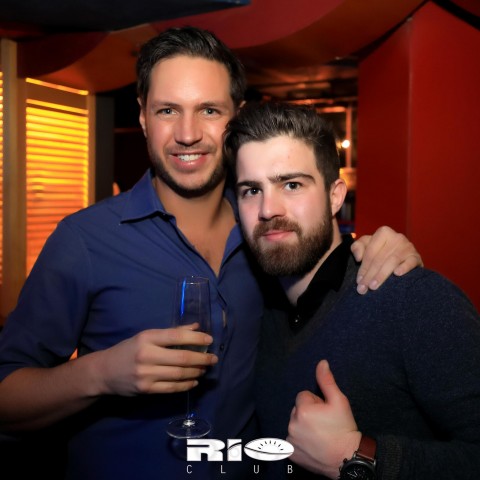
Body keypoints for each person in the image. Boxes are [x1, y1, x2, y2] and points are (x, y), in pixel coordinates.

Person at [0, 28, 421, 479]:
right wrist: (101, 373)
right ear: (142, 116)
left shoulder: (266, 233)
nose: (187, 134)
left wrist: (378, 248)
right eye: (167, 110)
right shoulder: (85, 240)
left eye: (209, 110)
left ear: (235, 118)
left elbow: (323, 258)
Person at [223, 101, 480, 479]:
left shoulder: (412, 300)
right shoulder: (263, 311)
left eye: (291, 185)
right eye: (251, 190)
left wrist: (356, 455)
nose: (267, 209)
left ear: (335, 196)